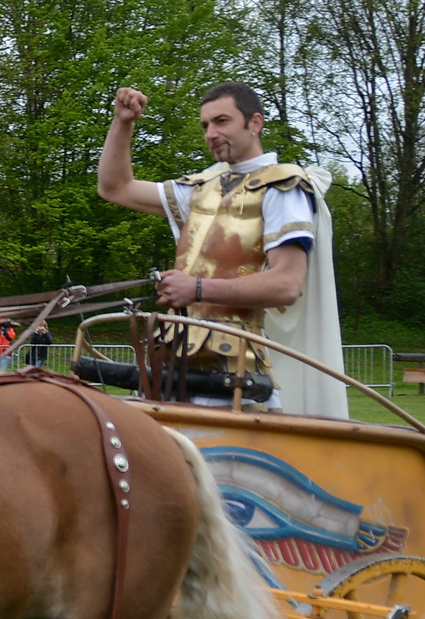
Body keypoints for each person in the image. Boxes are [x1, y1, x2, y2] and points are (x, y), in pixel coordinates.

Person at [96, 81, 347, 418]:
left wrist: (196, 288)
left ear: (254, 123)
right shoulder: (200, 190)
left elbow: (288, 284)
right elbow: (115, 187)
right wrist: (123, 122)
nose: (211, 133)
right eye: (205, 125)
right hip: (173, 355)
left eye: (222, 122)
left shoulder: (284, 187)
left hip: (233, 364)